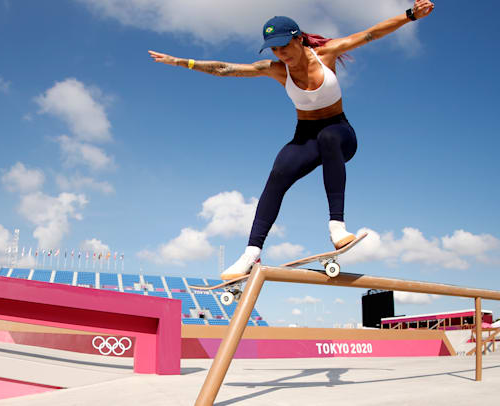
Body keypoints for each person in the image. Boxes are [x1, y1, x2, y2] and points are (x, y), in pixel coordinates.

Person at [149, 1, 434, 280]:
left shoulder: (327, 53)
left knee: (329, 136)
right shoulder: (275, 69)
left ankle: (337, 227)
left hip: (340, 134)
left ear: (299, 39)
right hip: (305, 137)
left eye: (285, 45)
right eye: (274, 48)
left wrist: (409, 15)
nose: (281, 53)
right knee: (278, 173)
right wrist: (181, 62)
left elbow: (371, 34)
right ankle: (251, 252)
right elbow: (226, 69)